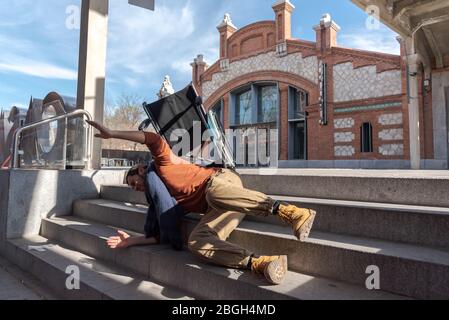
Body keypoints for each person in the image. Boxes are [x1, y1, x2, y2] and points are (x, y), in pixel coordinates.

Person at [87, 120, 316, 285]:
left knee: (212, 194)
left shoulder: (164, 167)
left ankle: (291, 212)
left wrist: (112, 133)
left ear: (140, 170)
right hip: (221, 208)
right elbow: (160, 235)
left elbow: (153, 139)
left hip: (222, 182)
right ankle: (260, 263)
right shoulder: (162, 202)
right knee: (196, 243)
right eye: (132, 187)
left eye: (133, 181)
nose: (135, 187)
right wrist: (131, 242)